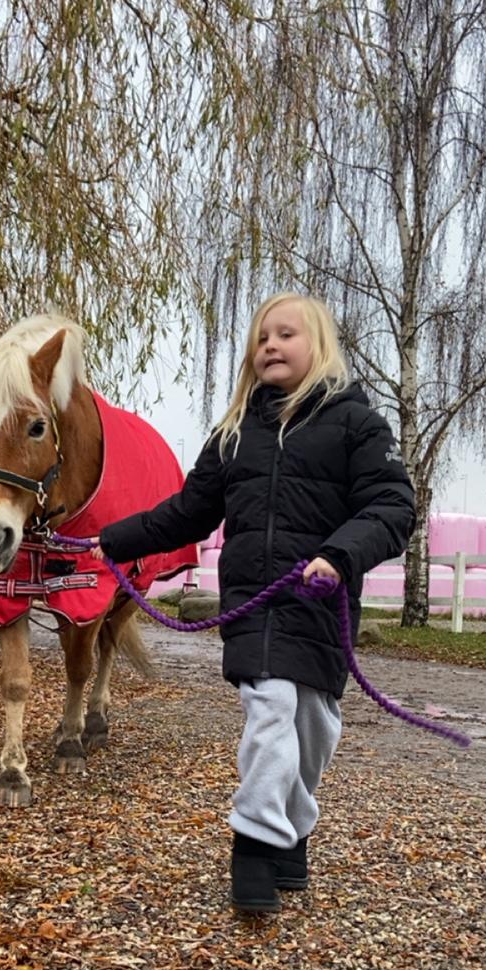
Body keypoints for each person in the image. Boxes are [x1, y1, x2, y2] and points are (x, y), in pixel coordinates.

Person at [99, 293, 416, 914]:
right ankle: (254, 841)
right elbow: (188, 512)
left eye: (286, 334)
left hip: (321, 603)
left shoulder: (357, 425)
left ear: (318, 346)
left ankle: (293, 830)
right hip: (254, 601)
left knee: (313, 726)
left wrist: (340, 554)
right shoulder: (234, 432)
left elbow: (393, 507)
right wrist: (114, 538)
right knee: (271, 713)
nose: (270, 345)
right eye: (262, 336)